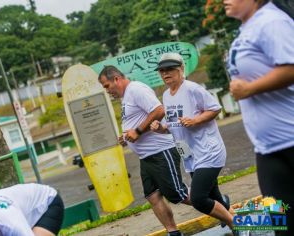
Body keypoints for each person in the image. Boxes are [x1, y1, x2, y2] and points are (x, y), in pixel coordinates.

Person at [224, 0, 294, 234]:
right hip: (268, 149)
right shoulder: (247, 29)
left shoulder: (272, 22)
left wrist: (250, 89)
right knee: (283, 225)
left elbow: (291, 68)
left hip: (291, 141)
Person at [99, 65, 190, 236]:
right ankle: (173, 233)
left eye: (106, 86)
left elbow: (159, 110)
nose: (107, 91)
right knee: (153, 196)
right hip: (146, 156)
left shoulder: (136, 90)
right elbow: (137, 122)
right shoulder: (126, 97)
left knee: (178, 194)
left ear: (116, 79)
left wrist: (138, 131)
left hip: (161, 151)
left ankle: (220, 205)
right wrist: (127, 136)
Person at [150, 52, 233, 229]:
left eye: (170, 69)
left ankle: (235, 223)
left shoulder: (192, 89)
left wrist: (196, 120)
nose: (165, 74)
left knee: (199, 199)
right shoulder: (166, 95)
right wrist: (160, 128)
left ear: (181, 69)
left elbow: (215, 108)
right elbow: (171, 125)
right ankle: (226, 207)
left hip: (208, 151)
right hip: (190, 154)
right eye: (162, 71)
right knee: (214, 196)